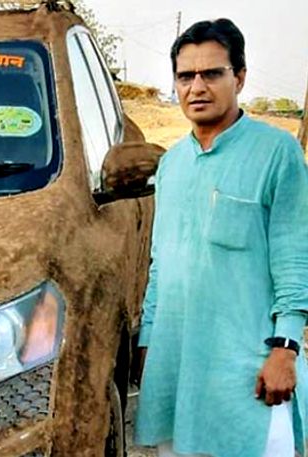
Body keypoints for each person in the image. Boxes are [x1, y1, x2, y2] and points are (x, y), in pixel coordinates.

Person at [134, 18, 308, 457]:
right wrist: (147, 345)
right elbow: (162, 265)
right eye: (185, 76)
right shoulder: (171, 166)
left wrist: (286, 349)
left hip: (249, 375)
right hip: (177, 372)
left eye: (212, 73)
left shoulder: (276, 153)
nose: (197, 87)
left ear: (240, 77)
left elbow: (295, 258)